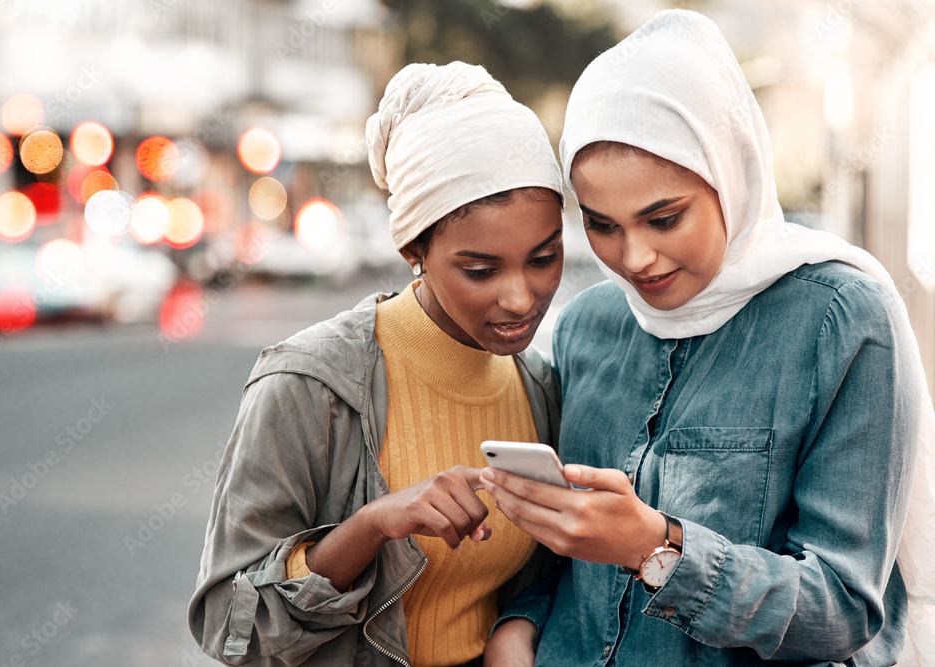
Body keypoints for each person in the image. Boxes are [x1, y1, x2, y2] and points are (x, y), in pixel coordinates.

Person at [481, 9, 935, 666]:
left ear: (733, 171)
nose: (635, 256)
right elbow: (565, 562)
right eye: (602, 224)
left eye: (663, 218)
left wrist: (656, 549)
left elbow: (844, 606)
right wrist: (520, 625)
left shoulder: (842, 318)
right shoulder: (587, 326)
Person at [188, 61, 566, 667]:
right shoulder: (308, 384)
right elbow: (230, 629)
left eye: (544, 258)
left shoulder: (539, 384)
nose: (521, 298)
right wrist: (368, 528)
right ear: (413, 248)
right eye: (480, 270)